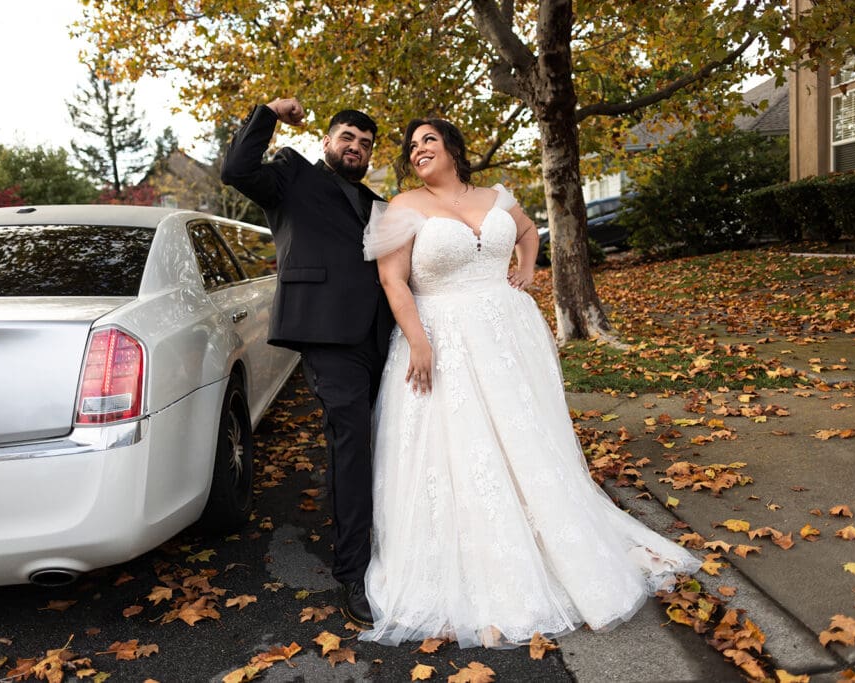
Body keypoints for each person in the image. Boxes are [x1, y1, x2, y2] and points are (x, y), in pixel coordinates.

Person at [359, 118, 701, 648]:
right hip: (442, 335)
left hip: (508, 334)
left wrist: (528, 268)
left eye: (428, 139)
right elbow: (391, 279)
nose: (418, 149)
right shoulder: (404, 206)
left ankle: (554, 533)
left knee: (526, 435)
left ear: (453, 146)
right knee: (463, 442)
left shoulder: (495, 195)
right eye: (412, 145)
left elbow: (526, 231)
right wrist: (420, 341)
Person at [221, 98, 394, 625]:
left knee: (385, 439)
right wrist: (268, 112)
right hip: (325, 333)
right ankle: (354, 573)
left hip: (380, 336)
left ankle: (391, 542)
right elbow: (236, 170)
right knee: (350, 445)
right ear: (327, 140)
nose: (356, 148)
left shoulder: (376, 201)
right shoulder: (292, 175)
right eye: (347, 137)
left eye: (365, 144)